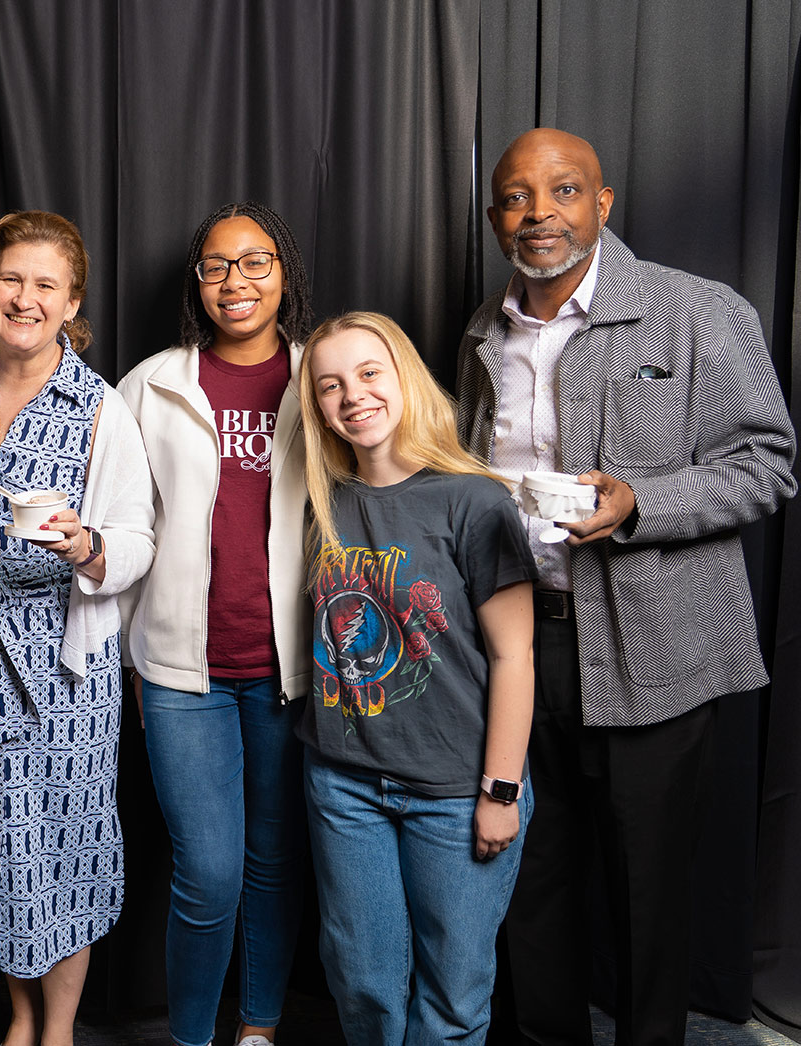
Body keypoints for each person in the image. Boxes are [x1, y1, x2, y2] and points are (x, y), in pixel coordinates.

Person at [455, 127, 797, 1046]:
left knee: (650, 887)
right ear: (496, 220)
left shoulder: (697, 313)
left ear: (603, 205)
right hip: (522, 644)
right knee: (530, 878)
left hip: (660, 646)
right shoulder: (485, 334)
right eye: (518, 199)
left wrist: (643, 500)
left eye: (563, 192)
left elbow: (767, 463)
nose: (540, 214)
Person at [0, 211, 155, 1046]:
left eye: (44, 285)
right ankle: (19, 1016)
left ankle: (54, 1030)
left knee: (62, 852)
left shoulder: (100, 407)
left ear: (72, 302)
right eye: (10, 279)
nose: (25, 298)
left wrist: (89, 545)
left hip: (61, 670)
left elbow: (138, 540)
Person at [297, 311, 536, 1045]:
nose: (353, 396)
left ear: (404, 376)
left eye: (369, 373)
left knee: (454, 999)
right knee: (363, 986)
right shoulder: (322, 502)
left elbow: (515, 658)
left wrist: (500, 792)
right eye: (330, 385)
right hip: (345, 784)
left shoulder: (477, 500)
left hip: (458, 789)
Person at [118, 201, 314, 1046]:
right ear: (197, 285)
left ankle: (259, 1028)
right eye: (216, 266)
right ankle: (192, 1037)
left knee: (275, 865)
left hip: (294, 669)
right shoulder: (151, 385)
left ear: (284, 273)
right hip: (179, 670)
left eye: (255, 261)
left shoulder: (325, 374)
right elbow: (122, 521)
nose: (236, 281)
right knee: (209, 870)